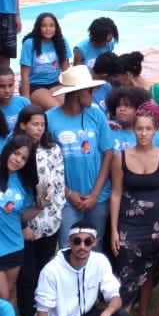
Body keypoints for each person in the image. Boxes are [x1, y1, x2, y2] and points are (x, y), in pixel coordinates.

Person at [109, 110, 159, 316]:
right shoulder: (121, 158)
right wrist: (114, 230)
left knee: (149, 270)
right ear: (133, 130)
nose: (143, 133)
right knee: (126, 273)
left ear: (155, 131)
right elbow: (116, 194)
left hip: (155, 224)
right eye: (139, 128)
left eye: (148, 129)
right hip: (128, 223)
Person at [46, 65, 114, 244]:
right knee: (68, 246)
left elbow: (108, 154)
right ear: (77, 93)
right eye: (90, 90)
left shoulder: (97, 115)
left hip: (98, 197)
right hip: (66, 199)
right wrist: (68, 193)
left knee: (95, 246)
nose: (93, 94)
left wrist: (95, 195)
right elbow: (46, 163)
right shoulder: (49, 119)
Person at [14, 109, 66, 316]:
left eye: (42, 125)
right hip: (25, 221)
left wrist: (57, 211)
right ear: (23, 125)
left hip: (49, 219)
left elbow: (59, 180)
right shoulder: (17, 152)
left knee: (45, 267)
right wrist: (23, 224)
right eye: (34, 124)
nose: (39, 129)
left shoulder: (52, 149)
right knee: (27, 272)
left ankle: (43, 309)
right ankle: (28, 315)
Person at [0, 135, 41, 314]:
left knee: (8, 295)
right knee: (2, 296)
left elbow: (21, 215)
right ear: (7, 150)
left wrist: (39, 207)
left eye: (23, 158)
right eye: (16, 153)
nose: (18, 160)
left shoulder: (23, 183)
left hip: (14, 246)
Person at [20, 13, 69, 113]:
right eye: (44, 26)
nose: (48, 29)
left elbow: (66, 70)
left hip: (55, 83)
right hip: (35, 85)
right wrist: (26, 101)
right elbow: (24, 75)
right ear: (38, 27)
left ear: (56, 28)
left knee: (66, 106)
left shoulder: (61, 41)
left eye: (51, 25)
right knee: (56, 109)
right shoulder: (29, 43)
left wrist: (70, 92)